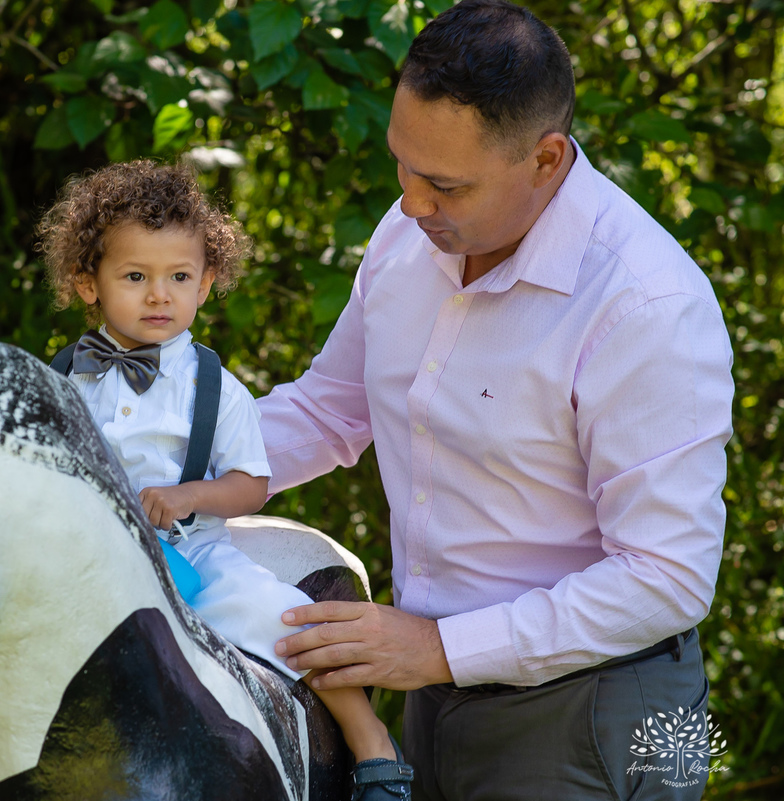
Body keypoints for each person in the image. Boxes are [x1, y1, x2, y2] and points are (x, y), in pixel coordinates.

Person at [261, 2, 735, 800]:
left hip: (602, 709)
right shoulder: (412, 230)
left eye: (444, 183)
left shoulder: (647, 304)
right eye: (401, 165)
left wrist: (439, 649)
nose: (410, 204)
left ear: (546, 160)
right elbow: (327, 408)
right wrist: (134, 467)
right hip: (432, 688)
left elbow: (668, 576)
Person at [38, 159, 412, 801]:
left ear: (207, 283)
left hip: (193, 555)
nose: (160, 295)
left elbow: (249, 487)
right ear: (87, 282)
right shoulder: (62, 380)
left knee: (289, 623)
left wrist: (189, 497)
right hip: (80, 560)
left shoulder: (214, 389)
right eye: (135, 277)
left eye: (179, 277)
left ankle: (370, 743)